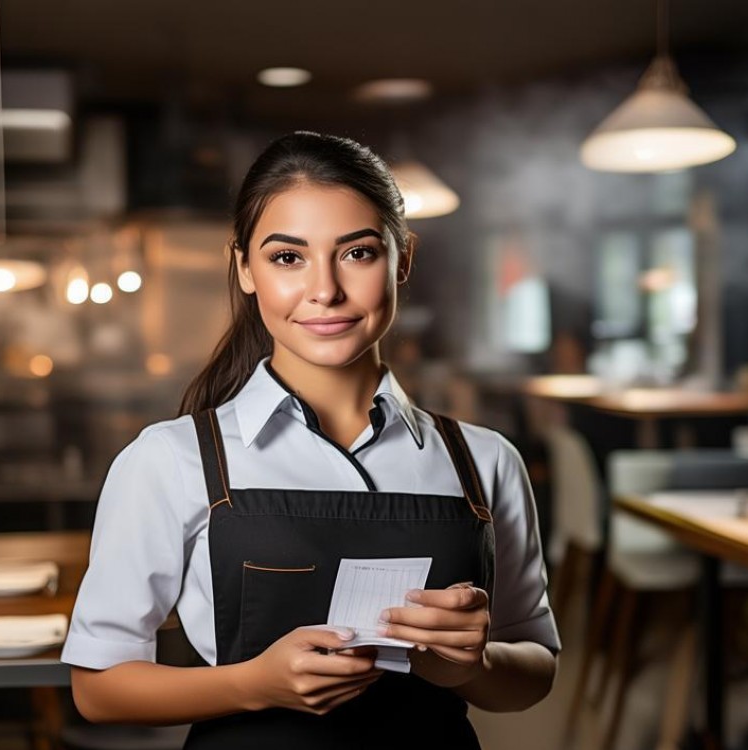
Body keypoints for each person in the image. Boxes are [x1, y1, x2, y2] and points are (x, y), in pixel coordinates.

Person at [61, 132, 560, 749]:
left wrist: (470, 667)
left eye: (357, 253)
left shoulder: (484, 461)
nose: (324, 290)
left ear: (402, 258)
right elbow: (98, 687)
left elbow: (536, 668)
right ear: (245, 268)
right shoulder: (170, 459)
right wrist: (255, 685)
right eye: (287, 258)